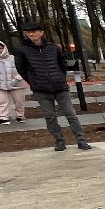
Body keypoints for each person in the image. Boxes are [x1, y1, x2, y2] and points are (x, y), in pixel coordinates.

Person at [14, 20, 90, 150]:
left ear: (41, 33)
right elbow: (21, 69)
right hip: (41, 90)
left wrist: (60, 78)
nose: (32, 34)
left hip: (60, 87)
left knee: (71, 115)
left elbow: (62, 65)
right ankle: (59, 141)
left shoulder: (53, 48)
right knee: (50, 117)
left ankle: (81, 140)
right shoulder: (22, 50)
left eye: (34, 31)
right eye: (28, 32)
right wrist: (34, 81)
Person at [0, 40, 28, 123]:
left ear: (4, 48)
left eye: (0, 48)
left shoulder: (13, 58)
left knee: (19, 101)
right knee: (2, 101)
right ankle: (3, 117)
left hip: (16, 83)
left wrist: (18, 77)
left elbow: (22, 69)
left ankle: (20, 116)